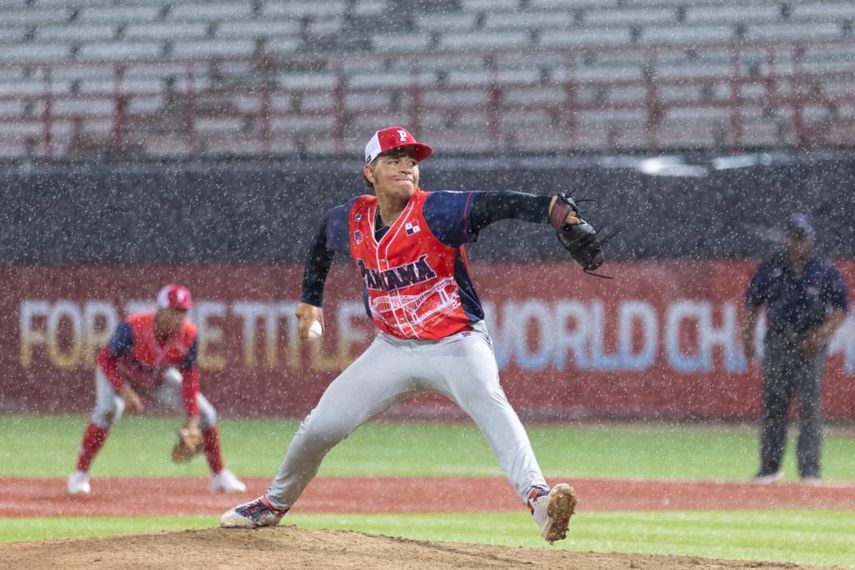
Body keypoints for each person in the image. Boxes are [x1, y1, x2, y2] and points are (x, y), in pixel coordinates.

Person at [221, 126, 605, 543]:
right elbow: (321, 242)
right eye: (394, 159)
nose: (406, 165)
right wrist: (311, 298)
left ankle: (541, 502)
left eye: (412, 160)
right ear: (369, 171)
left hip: (456, 344)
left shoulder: (435, 211)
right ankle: (273, 504)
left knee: (492, 405)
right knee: (319, 428)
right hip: (391, 349)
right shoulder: (351, 219)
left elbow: (496, 204)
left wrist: (550, 209)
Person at [67, 284, 246, 495]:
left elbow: (190, 376)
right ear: (160, 310)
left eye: (183, 312)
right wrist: (124, 392)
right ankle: (79, 474)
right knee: (108, 409)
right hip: (119, 374)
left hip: (155, 378)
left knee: (206, 414)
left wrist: (192, 418)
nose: (179, 317)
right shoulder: (133, 327)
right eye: (174, 311)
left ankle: (219, 476)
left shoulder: (188, 335)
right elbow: (106, 359)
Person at [741, 214, 849, 484]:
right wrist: (747, 339)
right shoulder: (772, 266)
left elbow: (840, 309)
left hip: (810, 344)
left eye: (803, 238)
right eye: (795, 237)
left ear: (810, 239)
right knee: (774, 404)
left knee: (809, 407)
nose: (799, 243)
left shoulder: (824, 269)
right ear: (788, 238)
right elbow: (752, 303)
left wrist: (820, 334)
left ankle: (809, 471)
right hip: (778, 340)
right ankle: (769, 468)